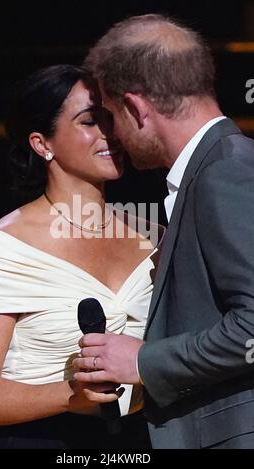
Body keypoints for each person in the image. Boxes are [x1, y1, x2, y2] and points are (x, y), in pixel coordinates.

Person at [0, 64, 164, 449]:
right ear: (42, 144)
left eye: (110, 118)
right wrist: (71, 395)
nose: (109, 133)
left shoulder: (154, 236)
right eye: (89, 121)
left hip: (142, 440)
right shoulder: (3, 246)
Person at [73, 14, 254, 449]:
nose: (112, 133)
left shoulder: (224, 172)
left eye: (111, 115)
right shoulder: (222, 163)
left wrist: (144, 361)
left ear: (135, 108)